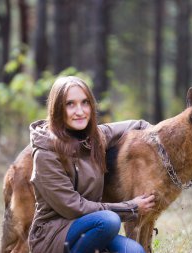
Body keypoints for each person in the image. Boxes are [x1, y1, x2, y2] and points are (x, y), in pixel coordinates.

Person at [28, 76, 156, 253]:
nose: (80, 111)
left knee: (135, 251)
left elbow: (137, 125)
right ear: (57, 109)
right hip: (53, 236)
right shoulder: (46, 153)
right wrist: (131, 207)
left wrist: (160, 136)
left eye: (85, 102)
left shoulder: (95, 138)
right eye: (70, 104)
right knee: (109, 221)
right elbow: (73, 207)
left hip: (91, 227)